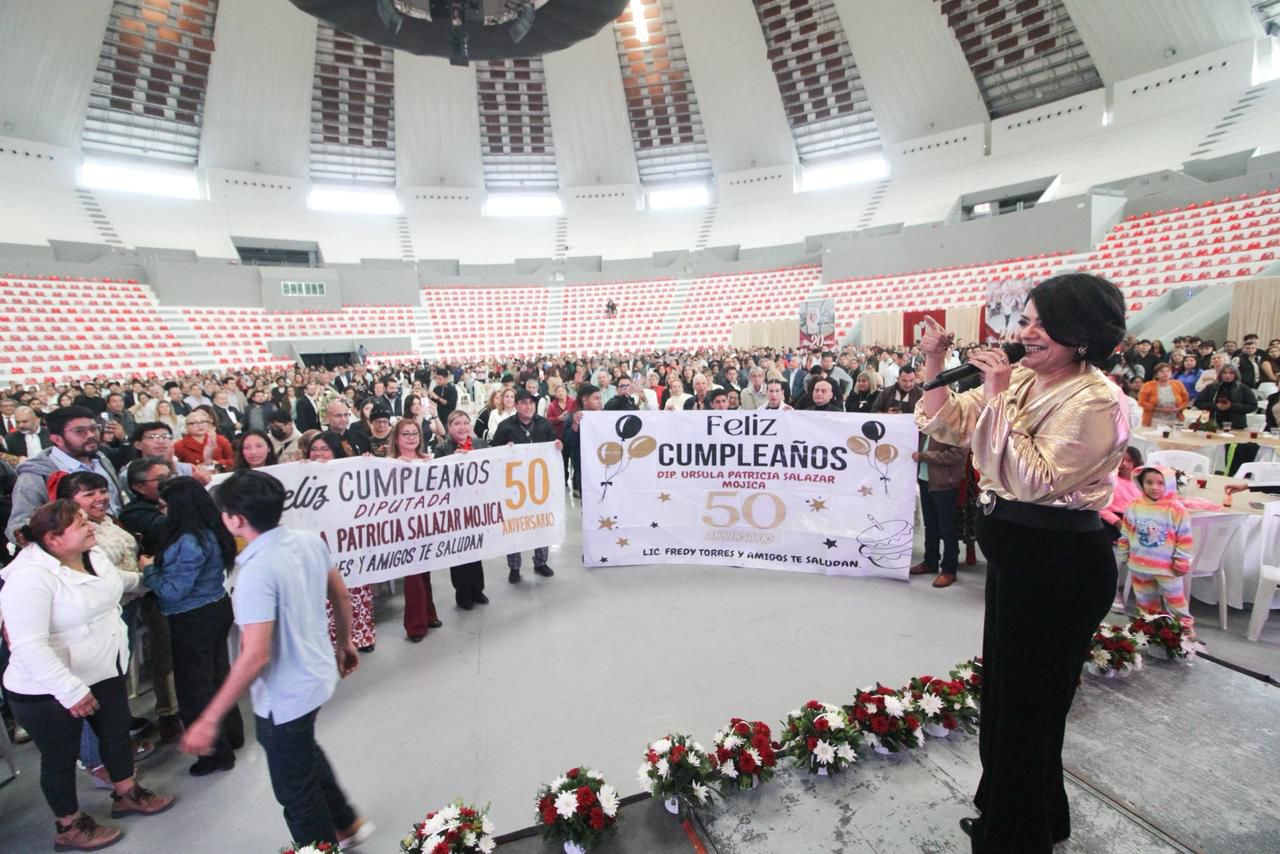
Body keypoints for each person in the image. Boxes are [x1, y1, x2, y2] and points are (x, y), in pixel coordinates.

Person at [917, 273, 1128, 852]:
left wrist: (997, 394)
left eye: (1040, 324)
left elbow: (1034, 479)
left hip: (1058, 565)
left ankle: (1015, 838)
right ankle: (1031, 816)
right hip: (1018, 558)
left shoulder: (1096, 400)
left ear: (1080, 335)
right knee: (1009, 700)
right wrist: (935, 364)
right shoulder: (1028, 377)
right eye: (1025, 320)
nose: (1024, 333)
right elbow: (947, 421)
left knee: (1029, 711)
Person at [184, 470, 373, 847]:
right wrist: (344, 643)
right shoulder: (307, 541)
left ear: (235, 519)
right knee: (301, 750)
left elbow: (255, 655)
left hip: (284, 695)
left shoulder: (256, 572)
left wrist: (209, 718)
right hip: (316, 674)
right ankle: (346, 822)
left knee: (296, 794)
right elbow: (341, 595)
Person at [1, 501, 175, 850]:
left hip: (102, 668)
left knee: (115, 733)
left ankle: (126, 793)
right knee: (60, 757)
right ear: (53, 539)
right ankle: (69, 826)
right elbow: (28, 646)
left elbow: (117, 582)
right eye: (80, 523)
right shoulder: (29, 579)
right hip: (47, 689)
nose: (90, 525)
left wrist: (153, 579)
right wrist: (70, 690)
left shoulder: (91, 555)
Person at [145, 476, 245, 776]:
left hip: (192, 617)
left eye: (165, 505)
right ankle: (232, 736)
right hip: (216, 606)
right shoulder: (212, 529)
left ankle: (214, 753)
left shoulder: (188, 541)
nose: (162, 511)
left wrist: (149, 570)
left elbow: (173, 590)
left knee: (194, 689)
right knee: (217, 676)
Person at [7, 406, 126, 544]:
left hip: (120, 542)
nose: (91, 435)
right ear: (57, 439)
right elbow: (18, 527)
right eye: (79, 431)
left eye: (94, 428)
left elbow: (116, 506)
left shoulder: (102, 460)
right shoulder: (35, 476)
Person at [305, 434, 377, 652]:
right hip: (319, 543)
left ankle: (362, 636)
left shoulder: (349, 473)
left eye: (324, 448)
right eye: (314, 449)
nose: (318, 453)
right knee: (325, 594)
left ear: (335, 451)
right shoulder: (301, 476)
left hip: (348, 541)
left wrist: (367, 465)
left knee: (355, 589)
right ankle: (331, 640)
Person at [1117, 466, 1195, 638]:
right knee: (1144, 600)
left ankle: (1185, 628)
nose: (1154, 487)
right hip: (1139, 565)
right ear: (1141, 483)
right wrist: (1124, 552)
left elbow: (1185, 538)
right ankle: (1149, 627)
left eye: (1161, 483)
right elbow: (1126, 531)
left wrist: (1181, 560)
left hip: (1167, 568)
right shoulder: (1134, 505)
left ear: (1170, 484)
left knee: (1175, 600)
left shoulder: (1176, 509)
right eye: (1149, 482)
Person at [492, 390, 560, 582]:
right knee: (515, 526)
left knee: (541, 523)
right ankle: (514, 567)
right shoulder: (505, 427)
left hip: (540, 485)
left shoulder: (544, 424)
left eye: (531, 403)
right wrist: (504, 451)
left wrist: (558, 447)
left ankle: (541, 562)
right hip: (514, 487)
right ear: (516, 405)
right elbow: (494, 453)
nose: (528, 406)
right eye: (523, 403)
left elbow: (554, 448)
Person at [392, 419, 444, 637]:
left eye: (414, 433)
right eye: (406, 434)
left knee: (424, 574)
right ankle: (415, 625)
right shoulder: (388, 463)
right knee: (413, 577)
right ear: (396, 438)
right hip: (404, 527)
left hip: (425, 524)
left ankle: (429, 614)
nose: (411, 437)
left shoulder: (427, 459)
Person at [434, 411, 490, 610]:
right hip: (454, 508)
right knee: (458, 551)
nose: (462, 427)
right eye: (457, 423)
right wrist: (453, 462)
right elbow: (437, 478)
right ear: (449, 428)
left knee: (475, 548)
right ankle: (463, 593)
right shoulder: (442, 448)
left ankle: (477, 589)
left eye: (466, 422)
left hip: (476, 505)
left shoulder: (480, 444)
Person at [909, 435, 969, 588]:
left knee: (947, 527)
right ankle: (930, 561)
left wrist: (924, 457)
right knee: (930, 525)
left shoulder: (955, 425)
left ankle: (949, 569)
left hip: (944, 483)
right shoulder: (925, 425)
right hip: (925, 479)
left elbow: (958, 454)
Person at [172, 405, 234, 471]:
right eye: (193, 423)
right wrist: (193, 468)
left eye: (203, 422)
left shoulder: (220, 440)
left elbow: (234, 461)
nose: (199, 425)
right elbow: (176, 468)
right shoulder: (179, 445)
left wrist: (217, 463)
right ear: (186, 427)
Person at [1137, 362, 1189, 427]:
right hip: (1154, 421)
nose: (1165, 373)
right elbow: (1142, 402)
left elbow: (1185, 400)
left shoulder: (1178, 384)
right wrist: (1160, 410)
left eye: (1168, 371)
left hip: (1176, 420)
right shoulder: (1148, 385)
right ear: (1156, 375)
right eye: (1162, 371)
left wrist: (1178, 409)